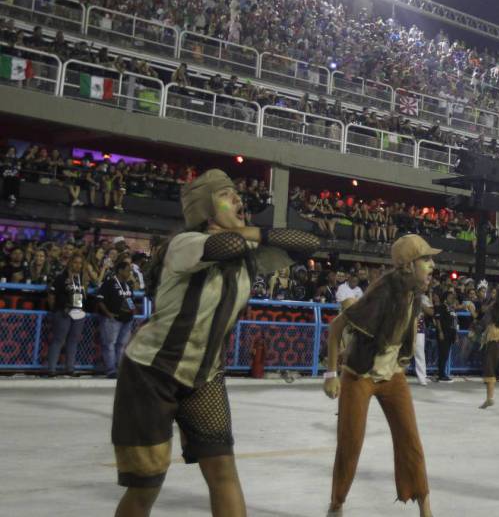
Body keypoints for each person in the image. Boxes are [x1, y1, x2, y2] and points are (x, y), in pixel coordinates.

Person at [110, 170, 319, 516]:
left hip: (204, 376)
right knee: (146, 484)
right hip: (151, 374)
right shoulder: (185, 244)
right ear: (206, 211)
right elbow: (226, 245)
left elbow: (309, 243)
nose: (238, 199)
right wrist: (254, 234)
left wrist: (252, 232)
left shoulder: (248, 252)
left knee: (223, 470)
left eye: (237, 193)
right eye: (226, 195)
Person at [322, 234, 440, 516]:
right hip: (359, 375)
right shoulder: (382, 292)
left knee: (410, 439)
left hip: (393, 375)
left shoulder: (414, 293)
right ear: (408, 265)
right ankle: (337, 503)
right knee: (350, 442)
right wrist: (330, 373)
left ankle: (425, 505)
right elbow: (337, 327)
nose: (433, 265)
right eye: (426, 259)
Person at [44, 254, 89, 377]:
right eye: (75, 262)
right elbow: (51, 294)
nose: (78, 265)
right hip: (64, 312)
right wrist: (56, 309)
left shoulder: (81, 278)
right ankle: (51, 370)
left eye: (80, 263)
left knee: (73, 341)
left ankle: (70, 369)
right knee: (59, 340)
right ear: (70, 263)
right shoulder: (61, 277)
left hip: (78, 311)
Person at [94, 259, 137, 378]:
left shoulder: (128, 285)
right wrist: (108, 314)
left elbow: (130, 300)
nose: (129, 273)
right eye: (128, 271)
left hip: (127, 320)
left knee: (122, 345)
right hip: (112, 319)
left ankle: (120, 369)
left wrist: (132, 312)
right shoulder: (109, 283)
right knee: (109, 344)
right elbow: (99, 299)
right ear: (120, 270)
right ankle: (111, 370)